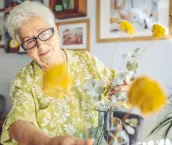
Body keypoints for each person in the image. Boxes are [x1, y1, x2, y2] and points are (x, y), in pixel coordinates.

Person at [1, 1, 129, 145]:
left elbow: (118, 92)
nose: (41, 45)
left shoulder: (87, 61)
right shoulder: (24, 80)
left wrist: (126, 91)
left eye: (44, 33)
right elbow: (18, 123)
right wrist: (48, 142)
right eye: (29, 41)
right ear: (24, 48)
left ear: (56, 31)